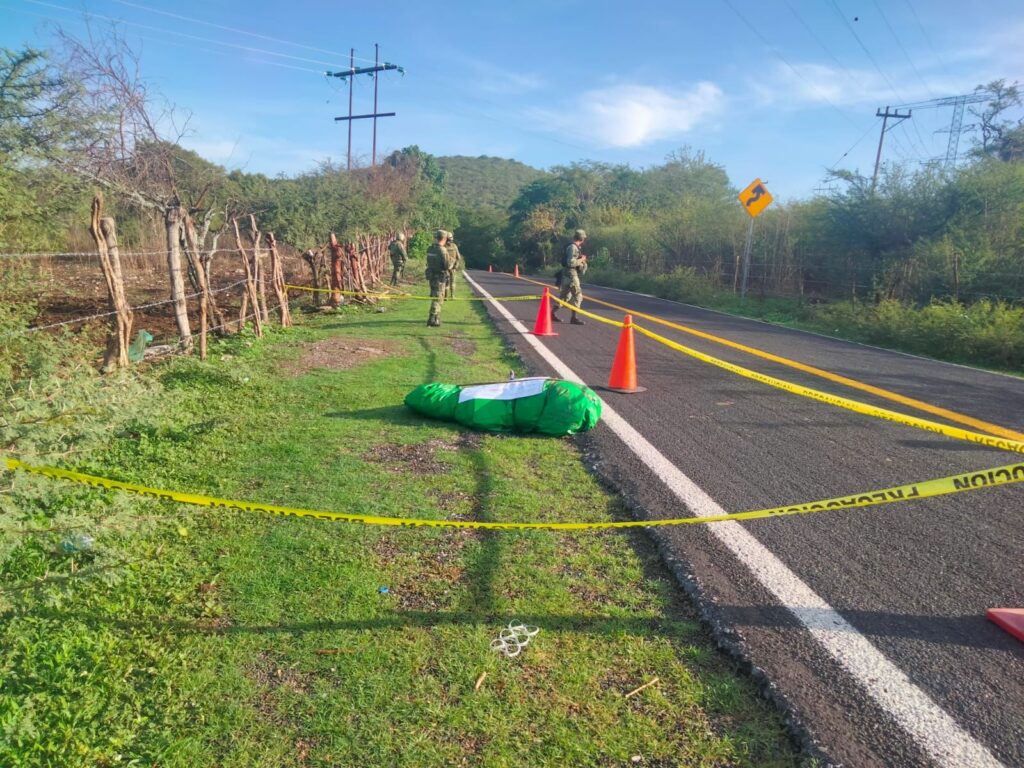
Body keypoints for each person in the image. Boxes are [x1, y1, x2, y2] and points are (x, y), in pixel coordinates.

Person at [551, 229, 588, 325]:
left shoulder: (573, 247)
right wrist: (582, 260)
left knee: (565, 297)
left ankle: (551, 314)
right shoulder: (573, 247)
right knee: (578, 296)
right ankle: (574, 318)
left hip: (567, 274)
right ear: (582, 238)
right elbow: (570, 263)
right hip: (571, 274)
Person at [425, 229, 452, 327]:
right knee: (438, 299)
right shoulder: (442, 250)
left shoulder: (430, 248)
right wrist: (451, 262)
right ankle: (432, 319)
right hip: (439, 277)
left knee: (435, 297)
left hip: (431, 275)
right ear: (444, 238)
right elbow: (446, 265)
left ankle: (436, 319)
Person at [444, 230, 462, 298]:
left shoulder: (443, 246)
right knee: (452, 282)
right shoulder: (454, 246)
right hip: (453, 267)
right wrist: (456, 265)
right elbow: (458, 257)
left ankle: (446, 296)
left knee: (446, 282)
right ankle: (452, 295)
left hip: (446, 267)